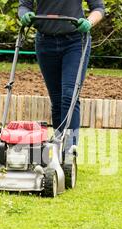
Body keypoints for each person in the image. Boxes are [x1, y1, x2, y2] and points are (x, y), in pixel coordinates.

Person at [18, 0, 105, 150]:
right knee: (57, 99)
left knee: (69, 95)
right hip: (45, 42)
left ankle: (70, 149)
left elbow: (98, 8)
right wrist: (25, 15)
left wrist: (89, 22)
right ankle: (59, 146)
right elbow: (24, 6)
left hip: (75, 42)